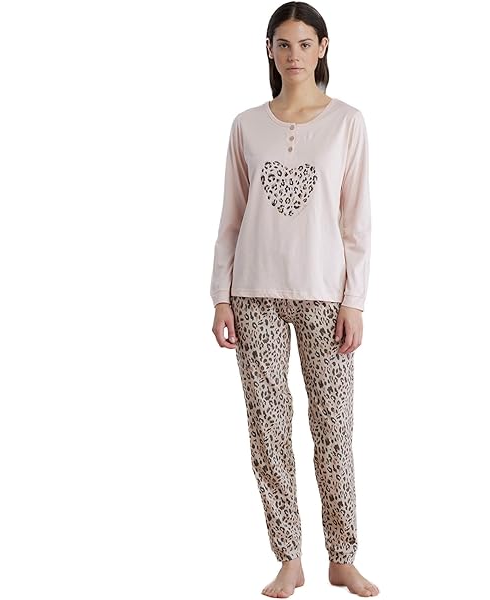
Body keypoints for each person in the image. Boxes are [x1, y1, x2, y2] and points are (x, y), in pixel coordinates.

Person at [210, 2, 378, 597]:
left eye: (305, 44)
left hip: (323, 295)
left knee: (333, 426)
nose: (294, 55)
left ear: (323, 48)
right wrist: (221, 296)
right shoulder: (246, 125)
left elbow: (356, 222)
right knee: (267, 428)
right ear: (270, 51)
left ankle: (342, 556)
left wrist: (355, 300)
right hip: (252, 292)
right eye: (283, 44)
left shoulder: (347, 122)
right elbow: (231, 219)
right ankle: (289, 557)